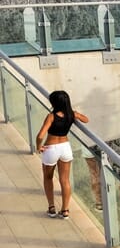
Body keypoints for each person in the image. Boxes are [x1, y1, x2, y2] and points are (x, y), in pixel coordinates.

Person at [35, 90, 90, 219]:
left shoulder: (51, 116)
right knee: (65, 180)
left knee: (48, 178)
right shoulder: (72, 114)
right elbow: (86, 120)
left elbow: (40, 135)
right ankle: (65, 210)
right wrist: (75, 114)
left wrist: (38, 146)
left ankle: (51, 208)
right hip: (65, 147)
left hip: (51, 148)